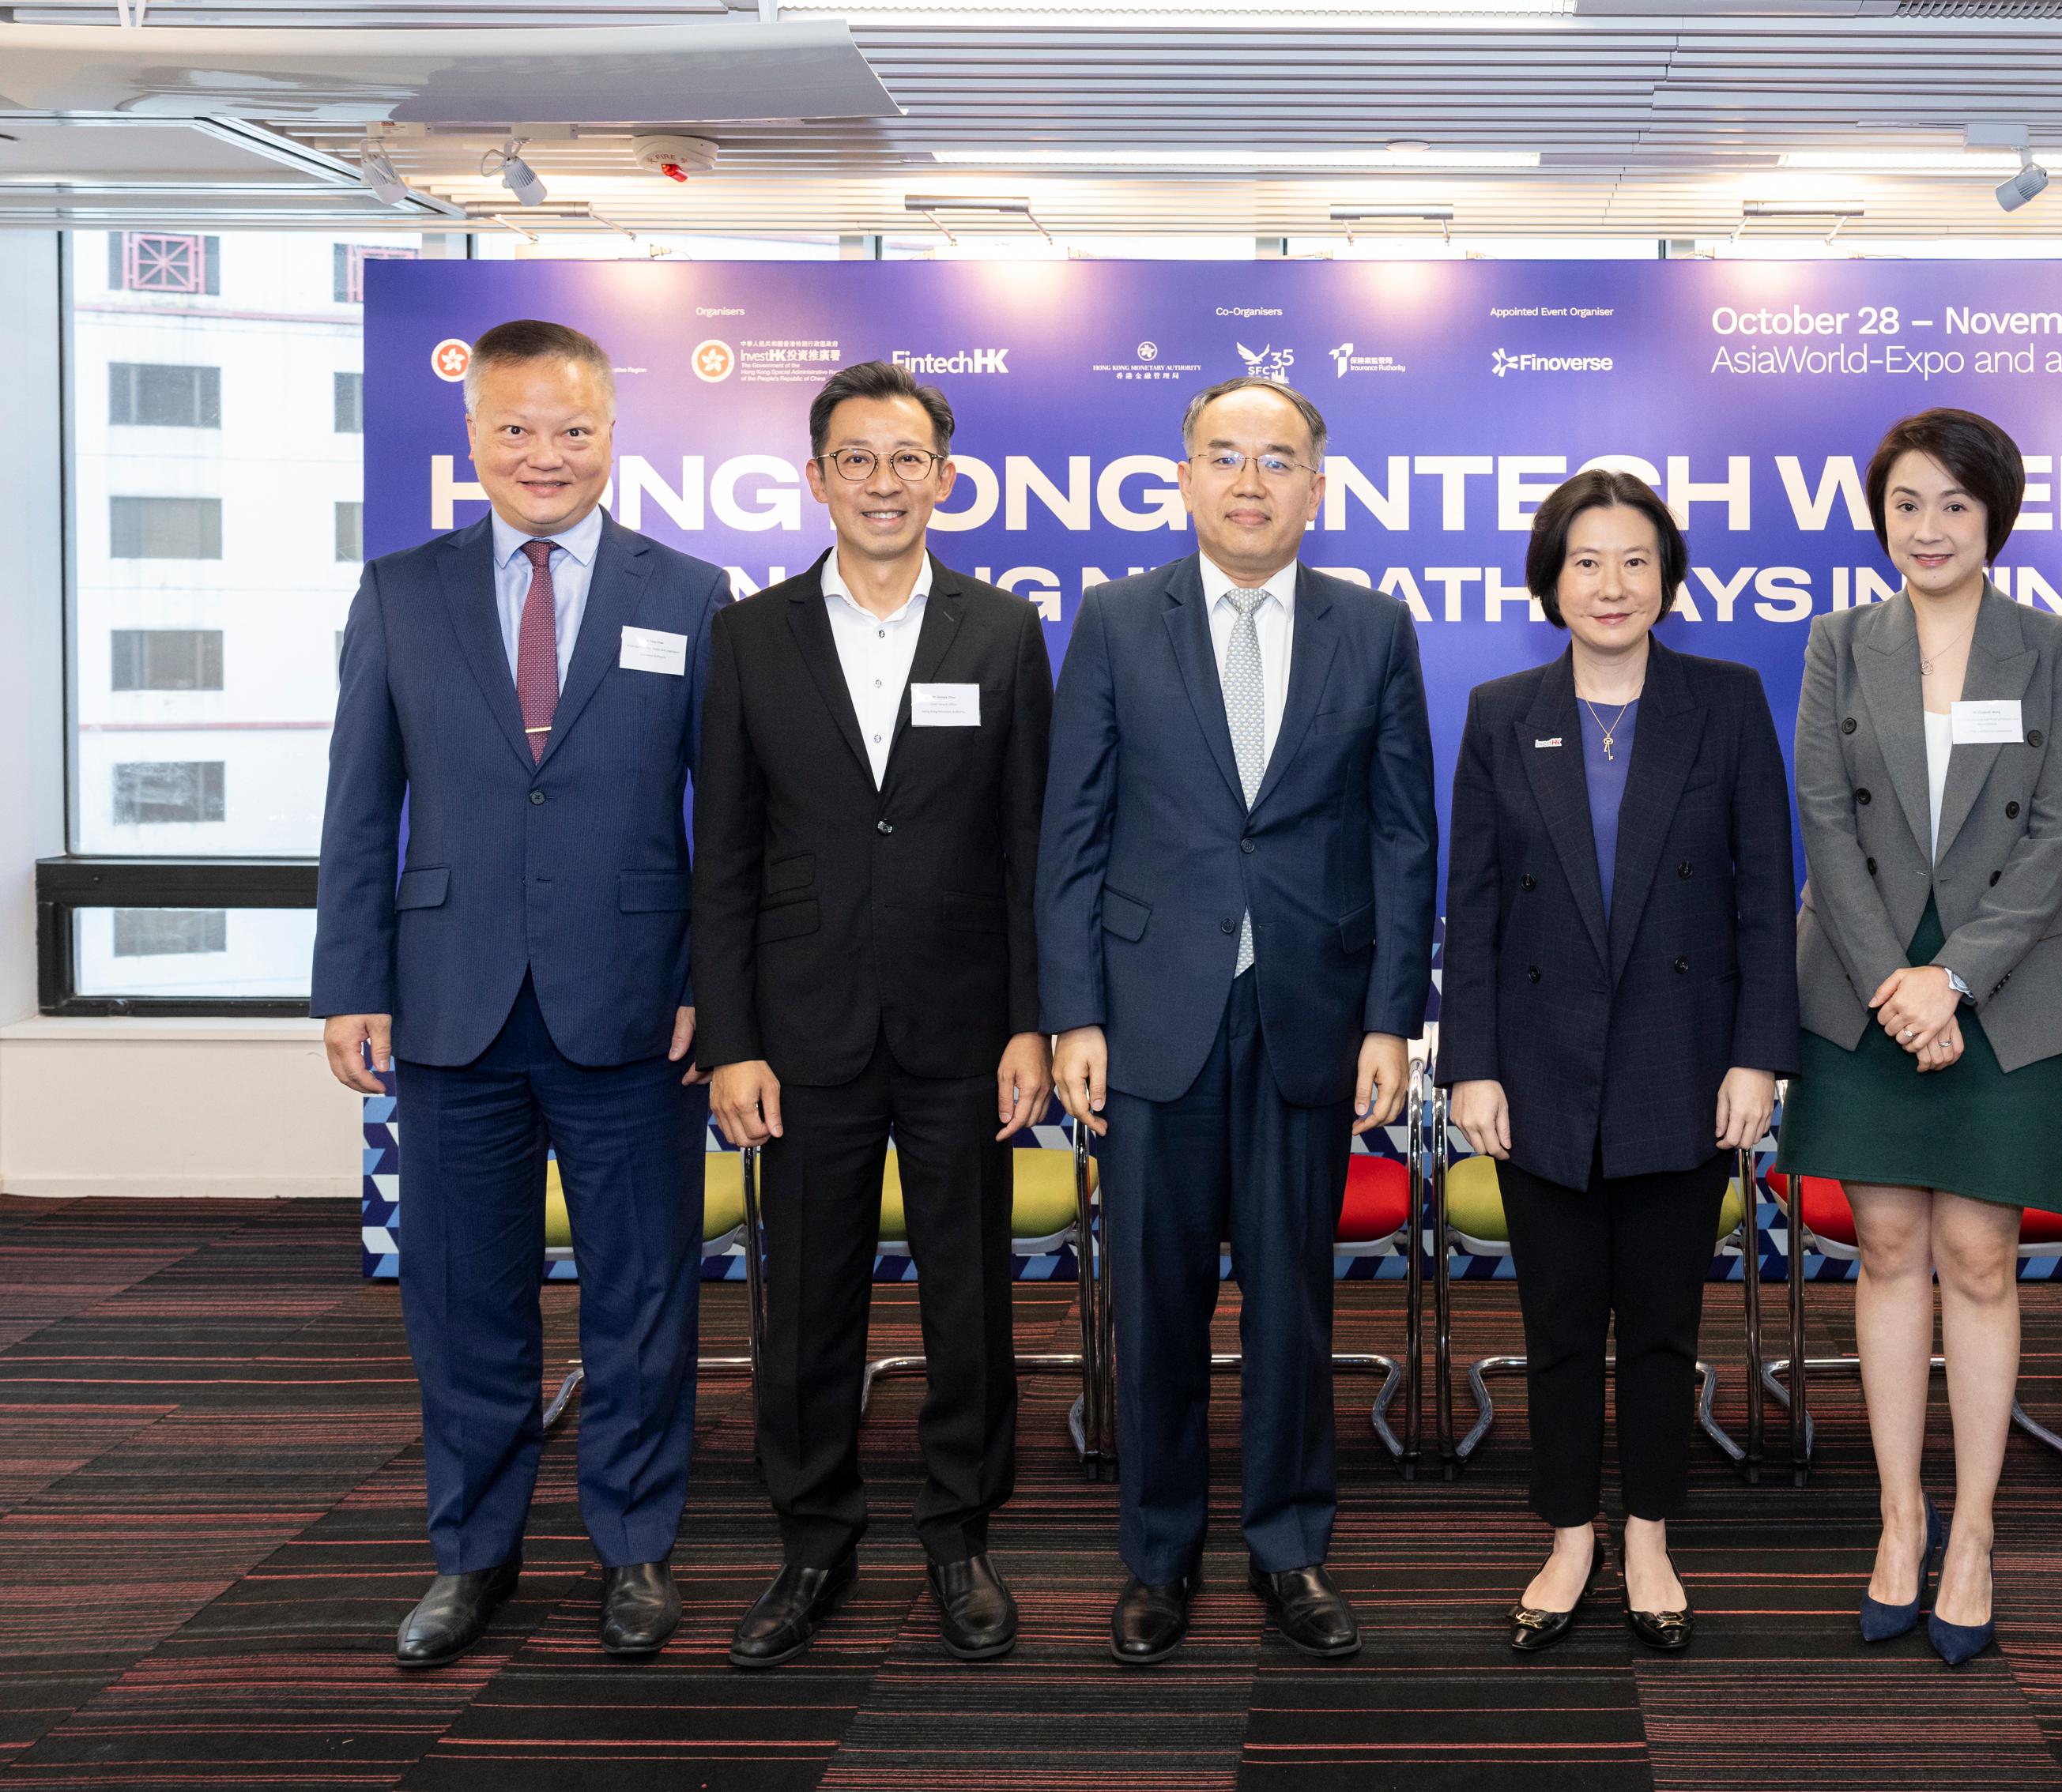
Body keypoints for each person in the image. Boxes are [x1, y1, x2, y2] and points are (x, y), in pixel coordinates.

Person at [314, 318, 728, 1668]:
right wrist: (349, 984)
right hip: (448, 1005)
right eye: (516, 429)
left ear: (613, 436)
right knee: (461, 1296)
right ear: (473, 438)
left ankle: (633, 1551)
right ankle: (472, 1556)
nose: (545, 455)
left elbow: (728, 824)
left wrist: (711, 986)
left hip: (635, 1004)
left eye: (573, 430)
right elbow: (359, 806)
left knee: (640, 1299)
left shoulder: (693, 592)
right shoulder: (401, 590)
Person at [1036, 375, 1437, 1666]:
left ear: (1318, 486)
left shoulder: (1374, 629)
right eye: (1226, 457)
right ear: (1186, 476)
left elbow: (1400, 837)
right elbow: (1073, 834)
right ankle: (1157, 1557)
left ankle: (1290, 1548)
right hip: (1151, 1019)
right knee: (1152, 1306)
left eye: (1278, 461)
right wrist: (1073, 1012)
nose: (1251, 482)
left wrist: (1393, 1017)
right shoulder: (1112, 619)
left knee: (1291, 1302)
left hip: (1311, 1017)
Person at [691, 360, 1053, 1669]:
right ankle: (813, 1538)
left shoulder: (1004, 632)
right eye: (857, 458)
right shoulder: (750, 635)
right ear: (817, 478)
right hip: (803, 1036)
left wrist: (1030, 1019)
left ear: (944, 479)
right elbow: (721, 857)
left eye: (907, 459)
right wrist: (731, 1037)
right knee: (812, 1306)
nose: (883, 482)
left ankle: (959, 1528)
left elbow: (1032, 851)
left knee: (970, 1300)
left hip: (966, 1031)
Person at [1438, 470, 1797, 1655]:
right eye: (1586, 561)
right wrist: (1471, 1065)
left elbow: (1760, 900)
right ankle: (1567, 1534)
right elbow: (1476, 903)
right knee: (1554, 1322)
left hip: (1685, 1062)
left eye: (1635, 560)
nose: (1611, 584)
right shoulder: (1502, 710)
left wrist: (1758, 1057)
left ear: (1668, 578)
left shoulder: (1727, 701)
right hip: (1536, 1068)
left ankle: (1647, 1532)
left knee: (1657, 1323)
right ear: (1551, 580)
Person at [1783, 407, 2062, 1666]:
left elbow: (2061, 830)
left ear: (1996, 519)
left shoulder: (2054, 647)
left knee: (1978, 1256)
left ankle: (1973, 1531)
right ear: (1881, 515)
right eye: (1908, 504)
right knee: (1883, 1245)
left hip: (2006, 987)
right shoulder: (1836, 642)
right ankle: (1898, 1521)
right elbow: (1824, 813)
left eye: (1955, 507)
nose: (1929, 529)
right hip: (1864, 986)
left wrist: (1953, 983)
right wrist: (1893, 985)